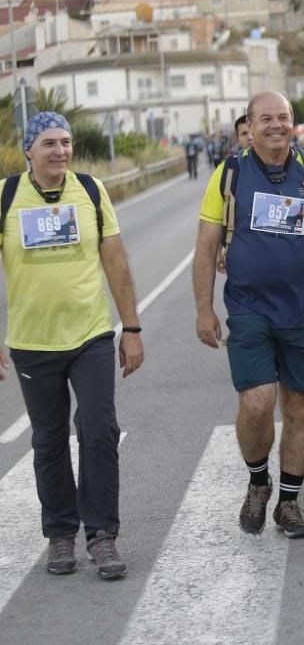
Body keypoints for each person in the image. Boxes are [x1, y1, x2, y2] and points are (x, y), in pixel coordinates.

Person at [193, 91, 304, 539]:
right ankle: (258, 480)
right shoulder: (230, 173)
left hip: (302, 310)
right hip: (248, 308)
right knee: (258, 401)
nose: (277, 125)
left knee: (299, 407)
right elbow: (206, 245)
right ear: (251, 124)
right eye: (267, 118)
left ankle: (289, 502)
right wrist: (204, 309)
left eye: (284, 117)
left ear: (293, 122)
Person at [0, 112, 144, 580]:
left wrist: (132, 327)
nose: (60, 151)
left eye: (66, 142)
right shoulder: (6, 197)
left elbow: (116, 261)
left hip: (91, 335)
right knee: (48, 440)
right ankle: (60, 533)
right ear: (29, 150)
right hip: (32, 341)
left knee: (100, 429)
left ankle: (102, 536)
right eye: (49, 143)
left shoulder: (91, 190)